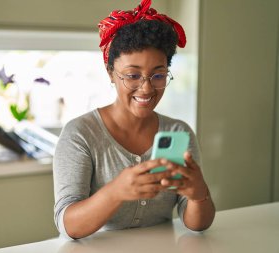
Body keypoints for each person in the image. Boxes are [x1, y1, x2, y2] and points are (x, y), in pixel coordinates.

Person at [53, 0, 215, 240]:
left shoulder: (178, 132)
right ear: (111, 73)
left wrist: (198, 194)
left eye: (158, 75)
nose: (146, 88)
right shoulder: (80, 134)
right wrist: (116, 192)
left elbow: (196, 225)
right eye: (133, 75)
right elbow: (68, 226)